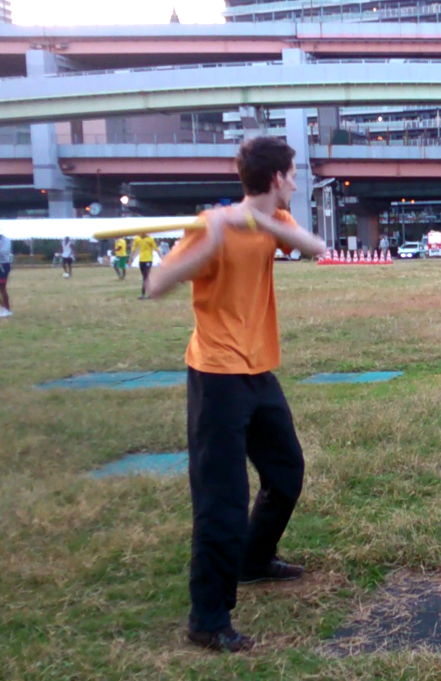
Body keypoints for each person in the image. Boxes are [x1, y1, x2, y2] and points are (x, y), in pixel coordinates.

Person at [148, 136, 326, 654]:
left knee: (286, 471)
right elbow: (157, 283)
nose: (296, 182)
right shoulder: (212, 225)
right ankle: (207, 617)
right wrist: (210, 242)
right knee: (222, 500)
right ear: (276, 179)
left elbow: (316, 249)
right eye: (292, 174)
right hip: (217, 374)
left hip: (258, 372)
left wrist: (259, 221)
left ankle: (253, 560)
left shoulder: (275, 223)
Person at [131, 233, 157, 299]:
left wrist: (162, 256)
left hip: (148, 259)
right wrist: (131, 258)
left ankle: (143, 294)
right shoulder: (137, 239)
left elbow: (156, 248)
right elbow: (134, 248)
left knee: (145, 277)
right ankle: (152, 292)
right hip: (141, 260)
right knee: (146, 277)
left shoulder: (150, 239)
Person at [0, 231, 12, 317]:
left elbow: (4, 252)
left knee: (2, 287)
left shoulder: (6, 240)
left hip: (3, 265)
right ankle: (3, 307)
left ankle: (7, 309)